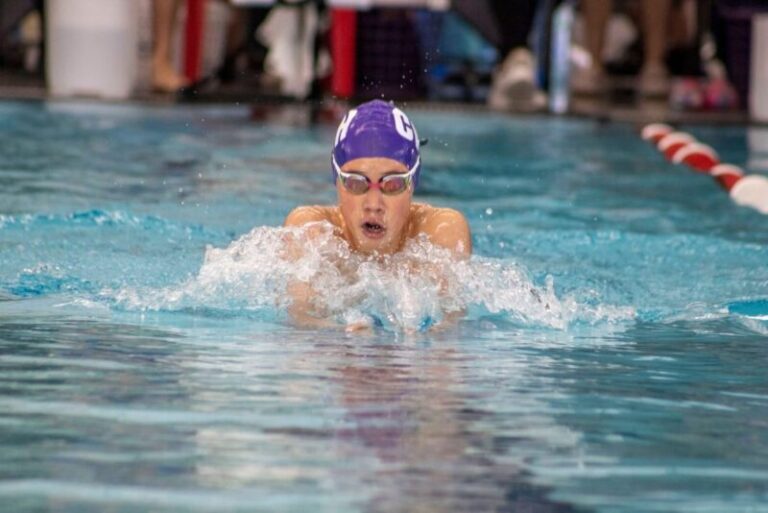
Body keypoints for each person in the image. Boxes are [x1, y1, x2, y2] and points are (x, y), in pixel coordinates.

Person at [283, 99, 472, 329]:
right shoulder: (313, 229)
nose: (374, 204)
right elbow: (301, 317)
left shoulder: (441, 230)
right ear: (337, 181)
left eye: (392, 184)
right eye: (356, 183)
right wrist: (344, 336)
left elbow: (451, 322)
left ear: (413, 183)